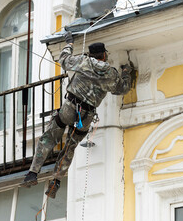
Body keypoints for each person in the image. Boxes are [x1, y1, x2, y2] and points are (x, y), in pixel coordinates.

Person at [20, 31, 133, 199]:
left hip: (70, 107)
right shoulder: (111, 73)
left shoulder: (83, 61)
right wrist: (126, 72)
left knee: (49, 138)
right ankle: (56, 181)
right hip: (86, 116)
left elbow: (64, 60)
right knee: (69, 147)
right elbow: (122, 89)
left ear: (91, 54)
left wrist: (69, 44)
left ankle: (32, 172)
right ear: (104, 55)